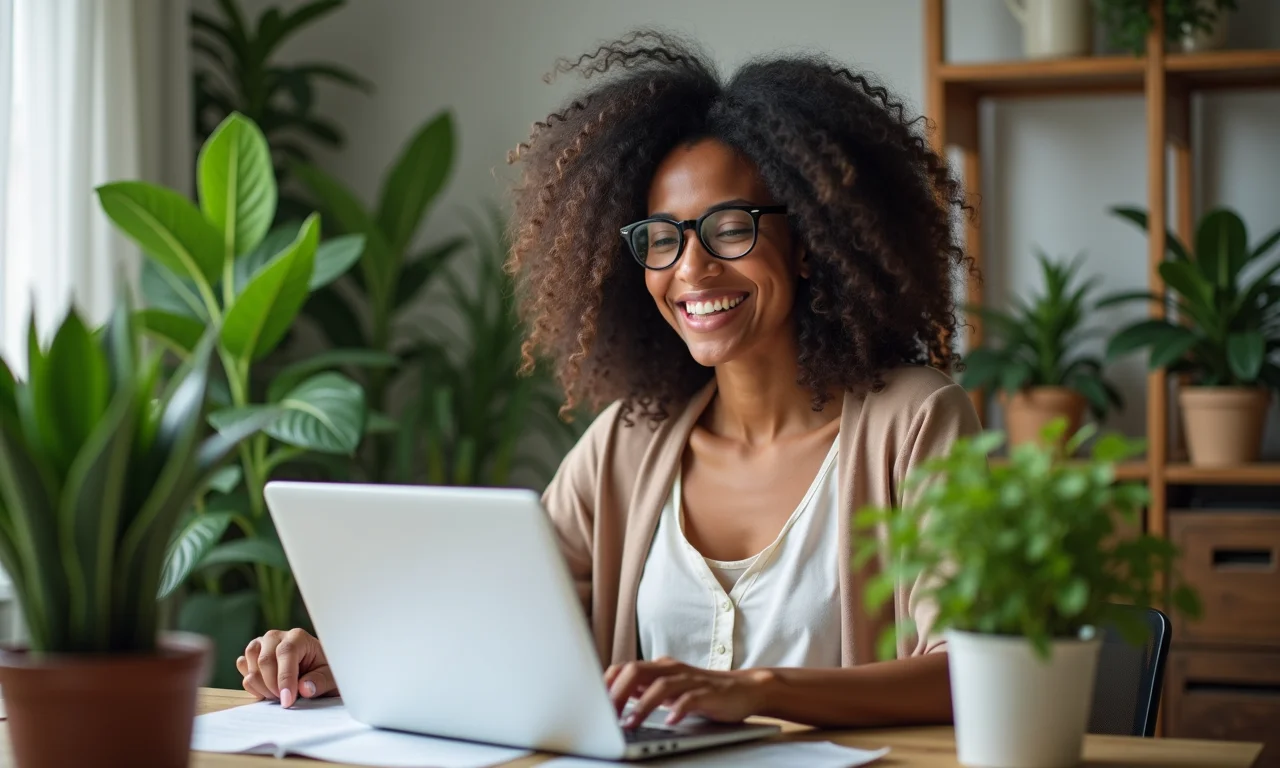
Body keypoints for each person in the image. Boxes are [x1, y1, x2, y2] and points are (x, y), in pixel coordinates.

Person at [238, 30, 980, 731]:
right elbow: (491, 627)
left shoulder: (912, 423)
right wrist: (345, 656)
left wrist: (756, 692)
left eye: (729, 229)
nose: (691, 270)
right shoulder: (630, 442)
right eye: (662, 238)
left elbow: (972, 667)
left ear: (812, 242)